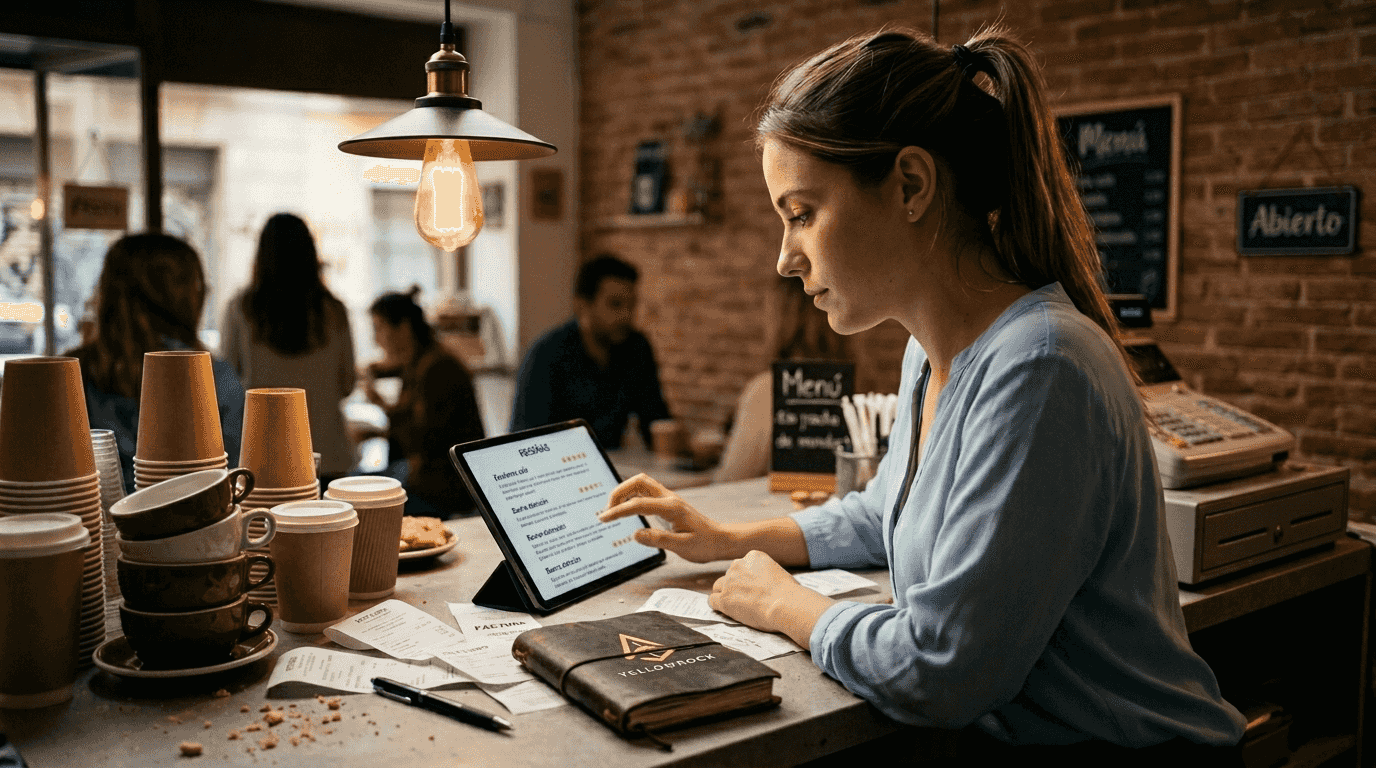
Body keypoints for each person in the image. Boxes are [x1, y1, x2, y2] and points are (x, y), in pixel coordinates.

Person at [599, 26, 1246, 764]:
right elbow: (889, 512)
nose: (785, 257)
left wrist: (787, 606)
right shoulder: (927, 355)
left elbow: (942, 671)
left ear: (910, 185)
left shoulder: (1040, 366)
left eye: (802, 213)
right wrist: (728, 538)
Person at [66, 233, 245, 494]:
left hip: (88, 531)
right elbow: (234, 484)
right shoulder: (214, 377)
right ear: (189, 297)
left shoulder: (70, 375)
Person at [219, 213, 357, 480]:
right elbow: (347, 384)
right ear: (310, 254)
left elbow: (229, 384)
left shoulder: (241, 309)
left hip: (263, 456)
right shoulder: (334, 311)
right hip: (328, 453)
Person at [509, 254, 671, 449]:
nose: (626, 315)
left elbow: (655, 420)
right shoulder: (546, 356)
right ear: (582, 306)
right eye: (615, 304)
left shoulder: (636, 348)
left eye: (632, 305)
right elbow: (525, 441)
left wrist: (685, 448)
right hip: (558, 470)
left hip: (612, 467)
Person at [714, 276, 847, 483]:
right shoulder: (859, 387)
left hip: (776, 512)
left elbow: (732, 477)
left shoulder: (768, 390)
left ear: (780, 319)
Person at [363, 289, 484, 518]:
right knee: (359, 483)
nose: (375, 339)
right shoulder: (422, 362)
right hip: (434, 474)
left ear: (404, 328)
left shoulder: (437, 369)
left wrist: (382, 409)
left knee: (362, 499)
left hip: (447, 484)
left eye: (379, 328)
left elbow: (424, 441)